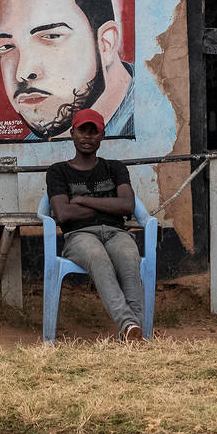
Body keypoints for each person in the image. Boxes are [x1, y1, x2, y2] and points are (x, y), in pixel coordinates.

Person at [0, 0, 135, 139]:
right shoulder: (40, 136)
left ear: (106, 43)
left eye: (50, 37)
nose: (22, 73)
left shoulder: (156, 114)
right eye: (6, 46)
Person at [44, 109, 147, 340]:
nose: (87, 137)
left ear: (103, 135)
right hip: (79, 236)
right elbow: (62, 213)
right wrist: (108, 204)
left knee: (129, 260)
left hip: (116, 233)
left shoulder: (115, 168)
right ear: (72, 133)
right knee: (98, 259)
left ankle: (132, 333)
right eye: (82, 130)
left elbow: (127, 206)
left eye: (94, 132)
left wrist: (82, 200)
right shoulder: (58, 171)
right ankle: (130, 324)